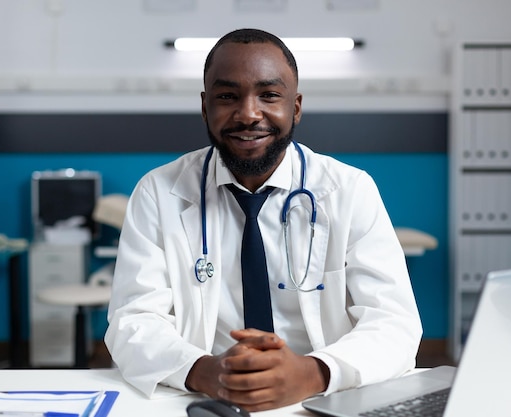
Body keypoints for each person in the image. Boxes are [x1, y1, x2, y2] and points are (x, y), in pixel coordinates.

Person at [105, 28, 422, 412]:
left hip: (323, 398)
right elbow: (132, 322)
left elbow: (395, 324)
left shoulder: (349, 191)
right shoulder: (159, 192)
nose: (249, 114)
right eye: (227, 97)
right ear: (206, 107)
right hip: (206, 399)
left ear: (296, 107)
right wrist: (207, 371)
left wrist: (312, 372)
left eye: (269, 95)